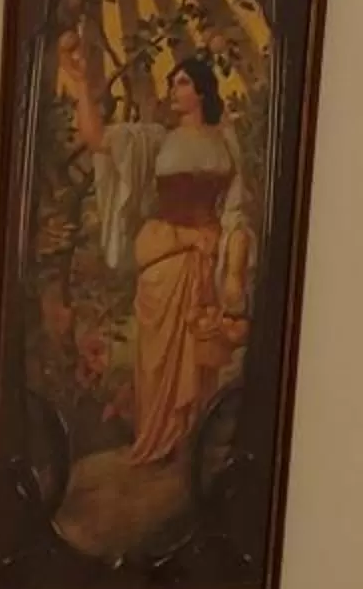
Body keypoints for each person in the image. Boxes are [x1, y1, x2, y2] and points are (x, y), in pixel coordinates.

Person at [57, 33, 254, 466]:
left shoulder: (225, 139)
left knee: (200, 356)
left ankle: (188, 444)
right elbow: (96, 138)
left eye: (182, 81)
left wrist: (233, 263)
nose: (174, 90)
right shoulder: (156, 140)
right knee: (157, 359)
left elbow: (237, 208)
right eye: (173, 83)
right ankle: (156, 440)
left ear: (201, 89)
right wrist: (79, 85)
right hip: (164, 263)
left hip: (205, 261)